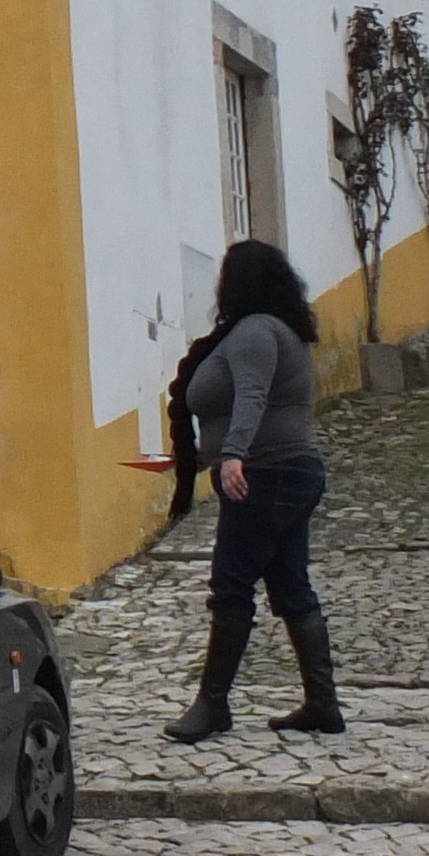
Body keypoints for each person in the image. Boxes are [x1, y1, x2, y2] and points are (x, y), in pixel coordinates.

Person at [160, 239, 343, 741]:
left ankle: (213, 705)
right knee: (290, 584)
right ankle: (322, 705)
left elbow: (253, 396)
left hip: (266, 474)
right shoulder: (284, 331)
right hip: (290, 471)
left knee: (231, 584)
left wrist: (234, 454)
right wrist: (208, 456)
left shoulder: (255, 333)